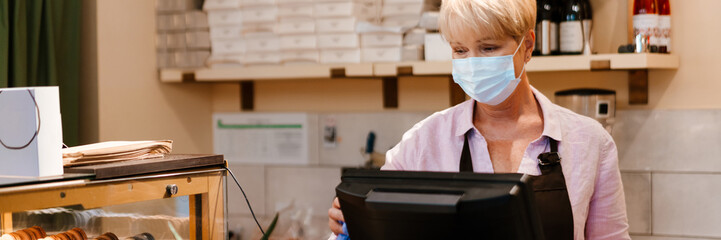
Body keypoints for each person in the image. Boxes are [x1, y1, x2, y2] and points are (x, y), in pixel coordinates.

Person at [328, 0, 631, 239]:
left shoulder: (591, 142)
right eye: (460, 50)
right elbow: (370, 221)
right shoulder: (425, 142)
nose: (472, 64)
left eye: (488, 48)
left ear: (527, 46)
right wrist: (349, 221)